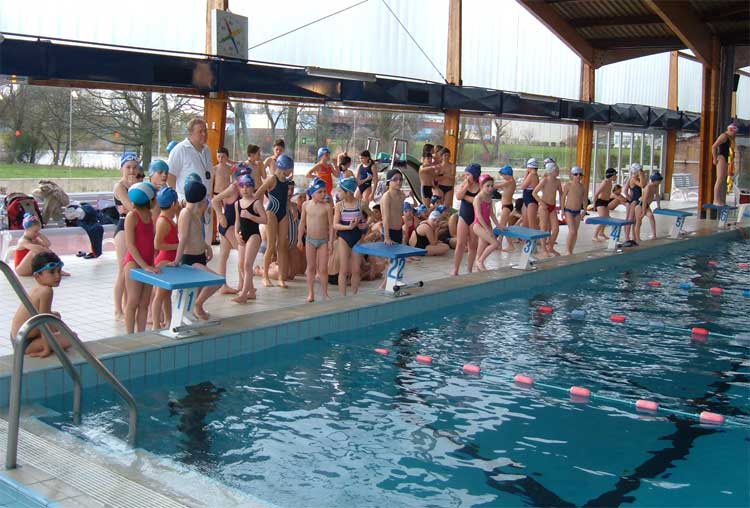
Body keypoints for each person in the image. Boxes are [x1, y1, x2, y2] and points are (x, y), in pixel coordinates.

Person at [10, 251, 73, 358]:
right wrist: (46, 350)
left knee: (56, 315)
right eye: (52, 272)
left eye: (59, 271)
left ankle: (49, 341)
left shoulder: (39, 287)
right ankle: (44, 344)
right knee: (72, 338)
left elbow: (44, 317)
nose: (57, 276)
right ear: (37, 276)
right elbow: (43, 323)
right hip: (24, 343)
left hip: (18, 337)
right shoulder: (46, 291)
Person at [175, 180, 221, 319]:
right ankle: (197, 305)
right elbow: (183, 238)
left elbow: (196, 234)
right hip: (190, 259)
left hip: (200, 256)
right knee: (217, 281)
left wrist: (207, 246)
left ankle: (194, 309)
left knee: (199, 289)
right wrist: (176, 260)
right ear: (200, 198)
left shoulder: (195, 212)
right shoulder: (186, 213)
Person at [167, 118, 214, 241]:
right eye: (200, 131)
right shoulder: (180, 150)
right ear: (190, 133)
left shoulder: (207, 150)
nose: (204, 134)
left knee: (205, 241)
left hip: (205, 203)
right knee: (190, 242)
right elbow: (170, 177)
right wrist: (178, 201)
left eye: (205, 131)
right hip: (188, 204)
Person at [122, 181, 158, 334]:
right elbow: (130, 245)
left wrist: (152, 263)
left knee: (144, 303)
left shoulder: (149, 215)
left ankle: (141, 334)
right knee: (133, 301)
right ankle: (130, 336)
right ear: (149, 200)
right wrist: (145, 266)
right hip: (133, 263)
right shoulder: (132, 216)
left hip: (148, 263)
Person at [256, 154, 294, 288]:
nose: (291, 171)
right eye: (290, 169)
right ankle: (265, 276)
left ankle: (281, 278)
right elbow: (258, 193)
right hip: (271, 212)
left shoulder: (286, 181)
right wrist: (259, 210)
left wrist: (291, 208)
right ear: (284, 167)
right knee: (271, 245)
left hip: (283, 213)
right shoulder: (272, 179)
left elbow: (285, 199)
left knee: (282, 246)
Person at [298, 178, 334, 302]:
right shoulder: (306, 205)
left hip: (323, 241)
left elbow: (331, 226)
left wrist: (330, 242)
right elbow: (302, 223)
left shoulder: (327, 207)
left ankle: (325, 293)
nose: (323, 194)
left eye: (324, 191)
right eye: (320, 192)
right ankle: (311, 293)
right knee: (311, 267)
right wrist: (299, 239)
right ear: (312, 193)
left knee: (323, 269)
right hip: (310, 241)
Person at [233, 174, 267, 304]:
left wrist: (250, 216)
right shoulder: (237, 203)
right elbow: (237, 221)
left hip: (254, 236)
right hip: (243, 236)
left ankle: (243, 294)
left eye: (248, 186)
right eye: (242, 186)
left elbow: (265, 220)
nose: (245, 189)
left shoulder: (256, 203)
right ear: (239, 188)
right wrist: (236, 234)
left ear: (253, 188)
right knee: (241, 265)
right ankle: (251, 291)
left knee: (247, 265)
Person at [113, 152, 138, 320]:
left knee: (131, 271)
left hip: (136, 228)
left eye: (135, 167)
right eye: (128, 167)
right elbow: (132, 207)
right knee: (122, 271)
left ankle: (128, 305)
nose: (131, 171)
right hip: (122, 229)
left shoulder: (138, 184)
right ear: (122, 168)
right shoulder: (120, 187)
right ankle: (118, 310)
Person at [151, 187, 180, 329]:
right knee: (160, 295)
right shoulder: (163, 221)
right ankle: (156, 324)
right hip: (163, 262)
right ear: (173, 203)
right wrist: (178, 246)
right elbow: (157, 244)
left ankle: (168, 321)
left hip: (168, 261)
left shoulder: (168, 219)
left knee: (167, 295)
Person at [333, 177, 367, 296]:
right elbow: (335, 225)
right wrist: (349, 227)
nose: (338, 193)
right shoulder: (339, 205)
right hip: (344, 237)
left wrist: (365, 224)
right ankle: (343, 297)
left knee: (356, 270)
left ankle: (354, 295)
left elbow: (372, 215)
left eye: (340, 191)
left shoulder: (361, 204)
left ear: (348, 192)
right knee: (343, 269)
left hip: (357, 237)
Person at [452, 163, 481, 276]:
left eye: (468, 174)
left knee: (472, 245)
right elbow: (458, 196)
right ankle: (455, 270)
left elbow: (476, 201)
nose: (466, 177)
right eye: (465, 174)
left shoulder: (481, 186)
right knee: (460, 244)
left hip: (475, 218)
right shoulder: (465, 184)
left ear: (474, 175)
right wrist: (465, 187)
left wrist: (465, 197)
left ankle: (469, 269)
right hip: (463, 216)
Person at [533, 162, 563, 256]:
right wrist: (541, 203)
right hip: (544, 207)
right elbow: (534, 193)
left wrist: (562, 207)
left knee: (556, 228)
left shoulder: (558, 181)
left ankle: (550, 247)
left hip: (552, 207)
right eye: (556, 170)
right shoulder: (545, 180)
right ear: (551, 171)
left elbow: (561, 194)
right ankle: (544, 249)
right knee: (543, 228)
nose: (558, 171)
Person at [472, 174, 501, 271]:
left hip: (486, 225)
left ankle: (478, 269)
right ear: (481, 186)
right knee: (495, 244)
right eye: (487, 186)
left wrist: (499, 225)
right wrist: (487, 229)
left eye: (492, 186)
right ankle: (480, 261)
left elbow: (492, 214)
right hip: (478, 225)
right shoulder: (478, 198)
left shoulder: (489, 198)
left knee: (481, 249)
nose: (490, 188)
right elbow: (479, 216)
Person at [562, 166, 586, 256]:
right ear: (572, 175)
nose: (578, 176)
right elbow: (563, 198)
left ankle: (571, 250)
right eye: (576, 174)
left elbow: (584, 199)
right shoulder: (568, 185)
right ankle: (567, 250)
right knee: (572, 231)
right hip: (568, 211)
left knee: (575, 232)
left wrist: (584, 210)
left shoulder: (582, 187)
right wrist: (562, 210)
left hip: (577, 212)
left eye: (580, 174)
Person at [711, 123, 738, 206]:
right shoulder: (724, 136)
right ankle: (715, 200)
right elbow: (714, 146)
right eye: (734, 132)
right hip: (721, 158)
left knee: (722, 180)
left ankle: (719, 199)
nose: (735, 134)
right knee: (719, 179)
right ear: (730, 130)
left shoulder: (730, 138)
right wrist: (714, 158)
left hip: (726, 159)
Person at [381, 169, 406, 245]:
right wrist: (387, 237)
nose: (398, 182)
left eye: (400, 179)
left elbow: (400, 214)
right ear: (388, 182)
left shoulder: (402, 195)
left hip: (399, 231)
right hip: (389, 232)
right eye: (395, 179)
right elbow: (385, 218)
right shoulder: (387, 197)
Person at [624, 163, 647, 246]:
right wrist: (631, 200)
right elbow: (643, 185)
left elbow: (625, 190)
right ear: (636, 171)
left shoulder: (631, 178)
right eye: (640, 170)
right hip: (634, 202)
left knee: (634, 220)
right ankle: (627, 238)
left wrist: (629, 197)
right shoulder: (633, 179)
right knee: (630, 219)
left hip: (634, 201)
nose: (641, 171)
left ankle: (634, 237)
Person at [592, 167, 617, 241]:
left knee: (606, 219)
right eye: (615, 175)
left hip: (605, 202)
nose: (616, 177)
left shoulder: (610, 183)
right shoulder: (605, 183)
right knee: (603, 219)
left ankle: (601, 233)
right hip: (600, 202)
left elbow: (607, 193)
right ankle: (594, 236)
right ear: (611, 175)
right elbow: (596, 194)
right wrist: (594, 205)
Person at [495, 165, 516, 252]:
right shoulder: (510, 182)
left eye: (503, 175)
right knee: (502, 226)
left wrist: (487, 183)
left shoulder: (510, 182)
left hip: (507, 206)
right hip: (507, 206)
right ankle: (499, 244)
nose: (502, 177)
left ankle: (511, 245)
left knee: (502, 226)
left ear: (508, 174)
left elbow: (496, 186)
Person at [638, 172, 663, 241]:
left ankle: (654, 235)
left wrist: (658, 206)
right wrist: (643, 212)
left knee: (651, 217)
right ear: (655, 180)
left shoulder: (656, 186)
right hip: (640, 204)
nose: (660, 182)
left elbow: (657, 196)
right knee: (638, 221)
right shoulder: (648, 187)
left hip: (646, 205)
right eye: (659, 181)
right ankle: (637, 237)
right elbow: (644, 200)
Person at [520, 158, 540, 230]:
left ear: (529, 167)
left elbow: (522, 186)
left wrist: (526, 173)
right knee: (525, 224)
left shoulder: (532, 175)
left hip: (531, 200)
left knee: (532, 225)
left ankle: (540, 236)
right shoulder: (533, 174)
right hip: (527, 199)